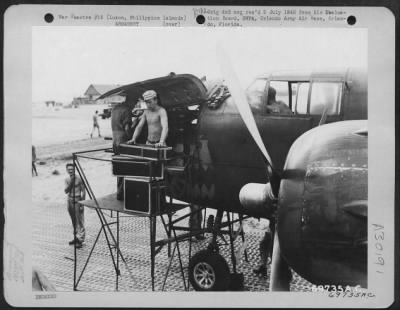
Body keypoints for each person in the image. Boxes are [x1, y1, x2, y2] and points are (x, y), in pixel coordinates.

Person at [111, 98, 133, 200]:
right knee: (126, 167)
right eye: (135, 102)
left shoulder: (115, 108)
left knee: (119, 167)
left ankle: (119, 192)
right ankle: (122, 193)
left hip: (115, 139)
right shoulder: (127, 110)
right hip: (123, 140)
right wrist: (132, 138)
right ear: (131, 100)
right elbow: (127, 128)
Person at [64, 163, 86, 248]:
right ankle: (75, 237)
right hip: (70, 199)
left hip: (77, 199)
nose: (70, 171)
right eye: (68, 169)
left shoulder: (79, 178)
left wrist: (82, 203)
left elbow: (83, 191)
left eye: (72, 169)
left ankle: (80, 239)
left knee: (79, 220)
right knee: (73, 220)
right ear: (66, 170)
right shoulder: (66, 179)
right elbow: (66, 191)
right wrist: (71, 180)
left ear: (75, 169)